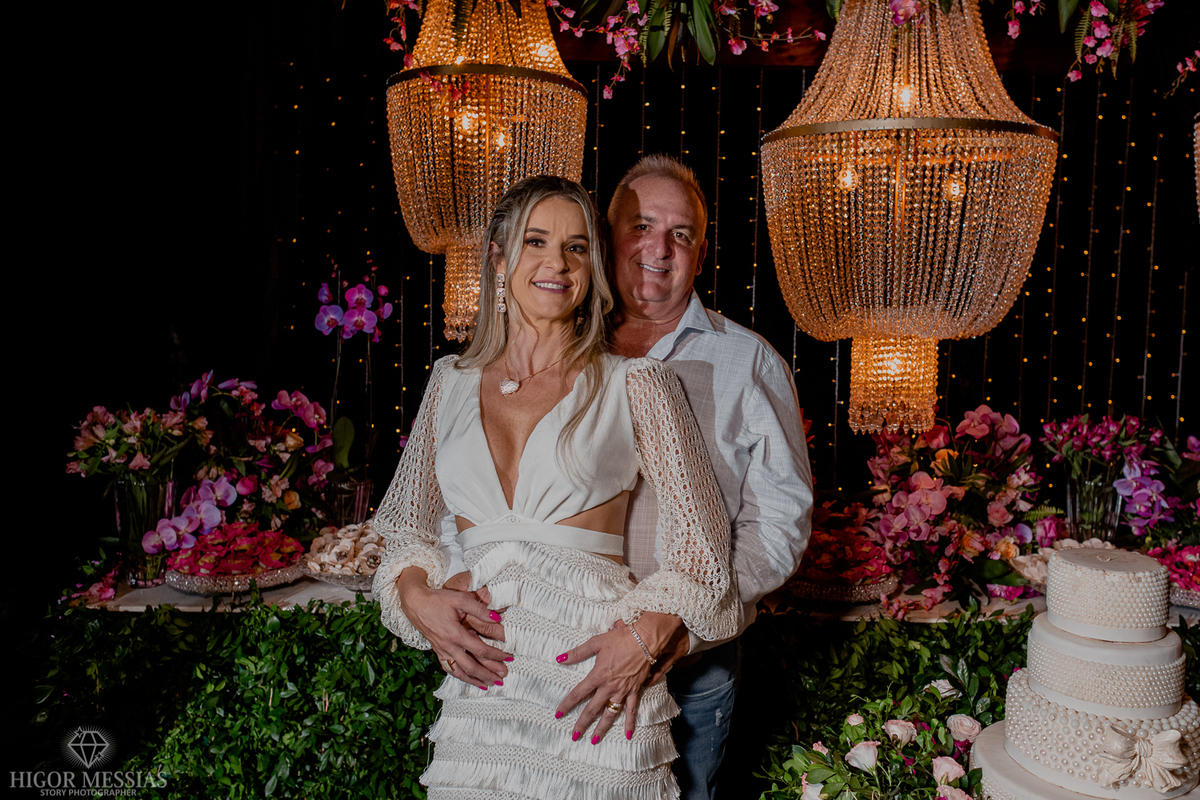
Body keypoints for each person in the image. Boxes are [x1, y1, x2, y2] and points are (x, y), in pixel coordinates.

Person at [372, 174, 741, 799]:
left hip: (597, 686)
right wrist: (415, 596)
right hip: (483, 696)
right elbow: (406, 531)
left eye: (576, 247)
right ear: (498, 257)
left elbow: (704, 553)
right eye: (536, 241)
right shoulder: (448, 382)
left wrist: (642, 641)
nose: (558, 263)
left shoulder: (637, 383)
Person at [600, 155, 814, 799]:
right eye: (641, 226)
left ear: (700, 253)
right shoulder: (561, 352)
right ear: (608, 236)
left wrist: (684, 622)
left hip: (690, 665)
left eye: (681, 233)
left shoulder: (748, 361)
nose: (659, 248)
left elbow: (778, 523)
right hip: (566, 647)